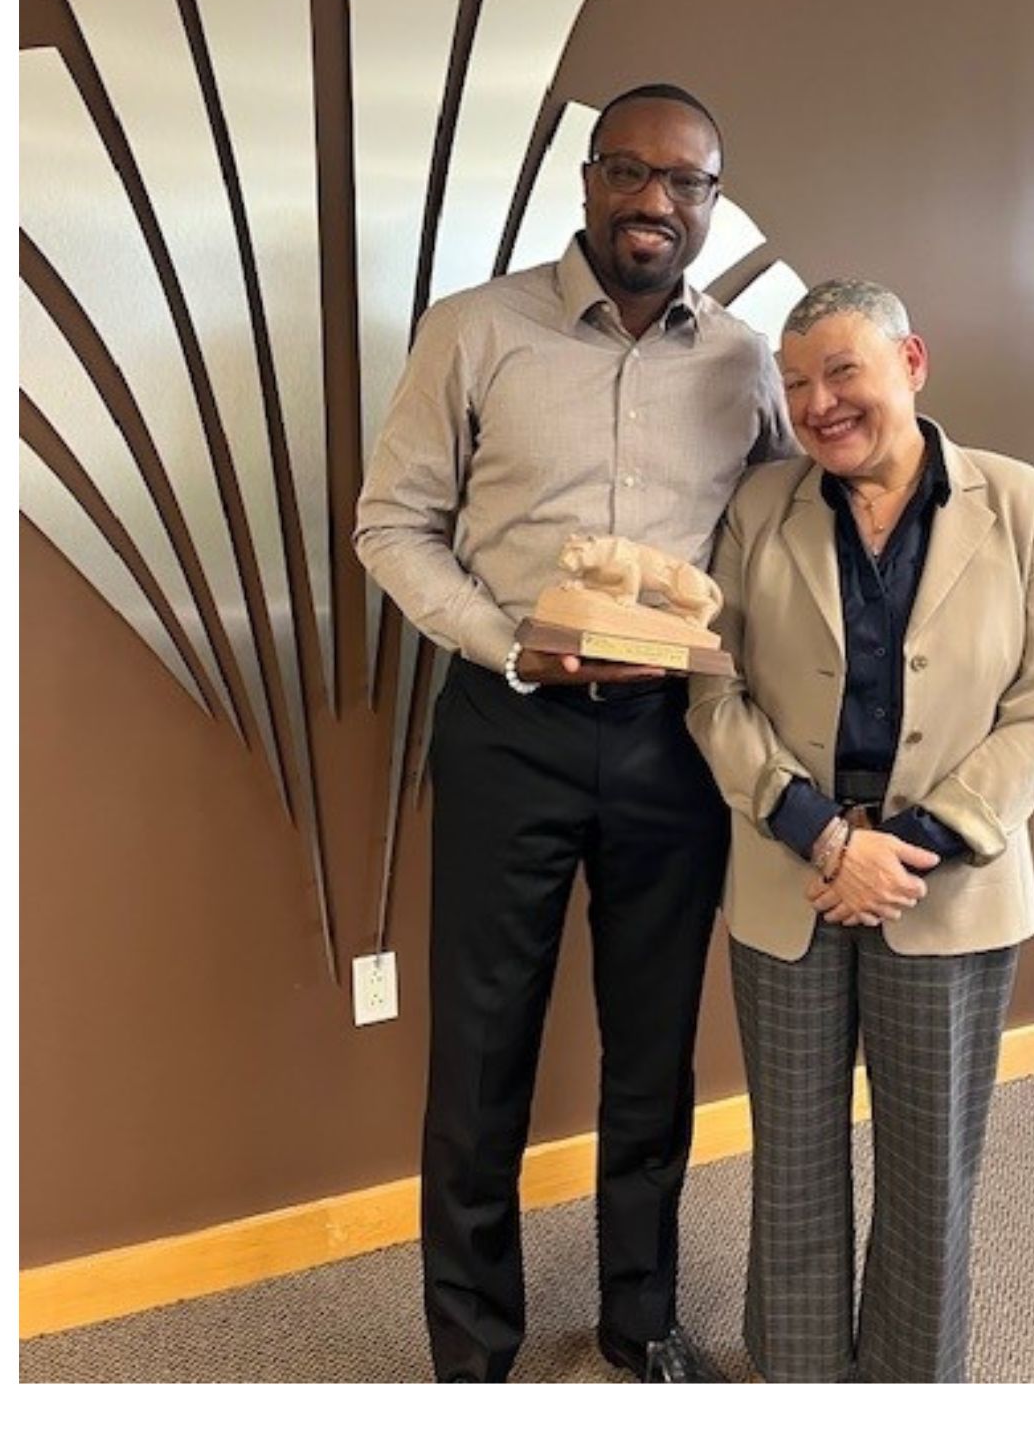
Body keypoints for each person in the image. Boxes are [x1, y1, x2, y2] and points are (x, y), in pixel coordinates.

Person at [354, 84, 796, 1384]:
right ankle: (472, 1351)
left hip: (674, 744)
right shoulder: (473, 332)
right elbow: (392, 524)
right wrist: (506, 645)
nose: (654, 202)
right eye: (629, 172)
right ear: (587, 179)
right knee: (482, 1050)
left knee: (653, 1049)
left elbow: (783, 527)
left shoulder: (746, 361)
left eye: (685, 183)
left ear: (713, 203)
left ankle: (638, 1318)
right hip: (511, 727)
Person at [684, 278, 1034, 1383]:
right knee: (795, 1167)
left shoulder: (1024, 506)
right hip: (792, 880)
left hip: (943, 891)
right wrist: (821, 835)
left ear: (912, 362)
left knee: (931, 1175)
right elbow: (712, 694)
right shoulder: (759, 508)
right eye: (798, 382)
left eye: (842, 372)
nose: (818, 404)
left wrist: (911, 848)